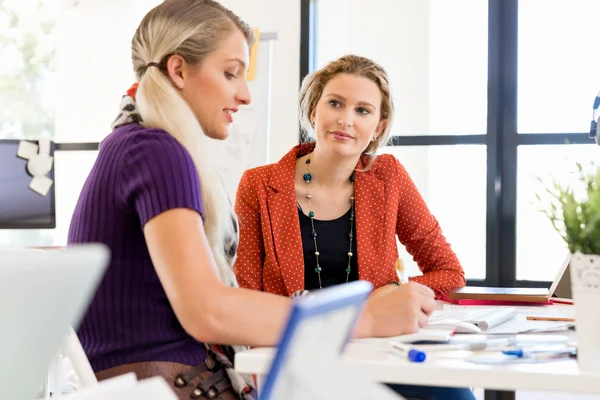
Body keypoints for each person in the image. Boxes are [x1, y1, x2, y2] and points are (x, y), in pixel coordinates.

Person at [67, 2, 437, 399]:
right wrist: (361, 318)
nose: (244, 95)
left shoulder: (129, 142)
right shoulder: (159, 151)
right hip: (169, 382)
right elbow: (208, 310)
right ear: (178, 71)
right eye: (230, 74)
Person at [233, 54, 473, 400]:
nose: (346, 120)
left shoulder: (388, 176)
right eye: (335, 103)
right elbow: (246, 300)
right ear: (314, 110)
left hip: (376, 353)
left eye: (363, 110)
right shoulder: (258, 185)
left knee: (452, 392)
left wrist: (391, 291)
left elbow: (449, 271)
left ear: (378, 126)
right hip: (295, 359)